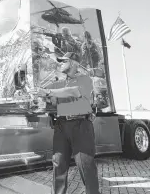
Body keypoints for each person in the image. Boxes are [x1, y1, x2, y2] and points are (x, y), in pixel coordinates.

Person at [37, 52, 100, 194]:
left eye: (63, 61)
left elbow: (72, 92)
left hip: (81, 125)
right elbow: (50, 97)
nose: (60, 63)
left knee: (86, 166)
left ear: (74, 63)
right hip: (61, 126)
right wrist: (41, 94)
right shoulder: (58, 83)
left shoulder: (85, 79)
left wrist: (47, 92)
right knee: (58, 165)